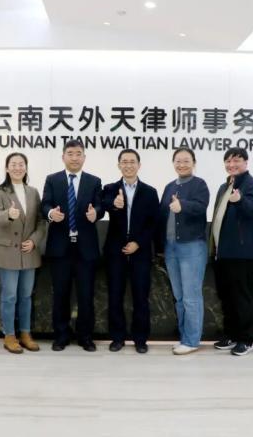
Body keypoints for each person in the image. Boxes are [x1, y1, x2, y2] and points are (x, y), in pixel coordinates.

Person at [41, 139, 104, 352]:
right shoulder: (52, 179)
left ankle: (85, 337)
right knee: (60, 294)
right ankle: (61, 336)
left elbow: (100, 206)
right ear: (63, 157)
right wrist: (51, 213)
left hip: (86, 248)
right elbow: (45, 204)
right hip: (60, 248)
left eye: (78, 154)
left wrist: (96, 213)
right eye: (70, 154)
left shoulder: (94, 181)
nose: (75, 158)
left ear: (84, 157)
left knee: (86, 295)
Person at [101, 149, 159, 354]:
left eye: (132, 162)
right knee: (115, 295)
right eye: (124, 162)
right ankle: (117, 338)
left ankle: (140, 339)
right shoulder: (110, 188)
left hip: (140, 251)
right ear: (119, 165)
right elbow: (102, 205)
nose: (128, 165)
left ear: (139, 165)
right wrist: (114, 204)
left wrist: (138, 243)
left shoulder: (150, 191)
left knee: (141, 297)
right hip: (115, 251)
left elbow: (154, 223)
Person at [210, 148, 253, 356]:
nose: (231, 165)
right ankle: (232, 335)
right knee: (227, 298)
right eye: (228, 161)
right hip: (223, 252)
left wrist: (239, 200)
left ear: (246, 162)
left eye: (237, 161)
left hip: (242, 253)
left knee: (243, 298)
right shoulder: (224, 186)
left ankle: (246, 339)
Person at [0, 152, 46, 354]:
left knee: (26, 296)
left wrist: (34, 241)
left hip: (28, 251)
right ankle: (9, 335)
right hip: (7, 252)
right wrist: (9, 214)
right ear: (7, 168)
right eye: (13, 164)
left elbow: (41, 221)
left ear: (26, 167)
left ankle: (25, 334)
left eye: (21, 164)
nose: (17, 167)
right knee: (9, 296)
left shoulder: (33, 192)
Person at [157, 147, 210, 355]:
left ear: (193, 163)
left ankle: (192, 340)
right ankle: (184, 337)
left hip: (192, 246)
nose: (182, 164)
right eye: (178, 161)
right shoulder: (169, 186)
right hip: (171, 247)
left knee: (191, 297)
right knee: (179, 297)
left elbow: (201, 207)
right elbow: (162, 215)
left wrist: (183, 206)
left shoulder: (200, 184)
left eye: (186, 160)